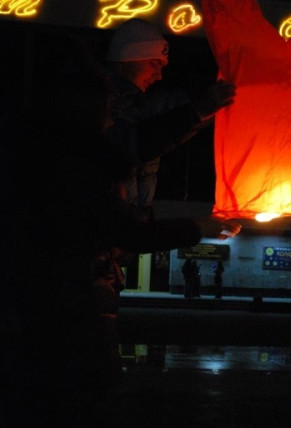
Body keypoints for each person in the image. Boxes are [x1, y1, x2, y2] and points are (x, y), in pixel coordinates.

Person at [0, 38, 240, 427]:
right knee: (76, 390)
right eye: (107, 112)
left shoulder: (45, 156)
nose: (113, 121)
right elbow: (126, 230)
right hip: (73, 294)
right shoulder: (77, 168)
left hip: (63, 291)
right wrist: (199, 227)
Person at [105, 18, 236, 210]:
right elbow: (132, 145)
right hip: (102, 224)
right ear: (127, 59)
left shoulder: (140, 106)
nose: (159, 75)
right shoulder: (97, 103)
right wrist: (198, 112)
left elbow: (173, 109)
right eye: (153, 63)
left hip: (124, 223)